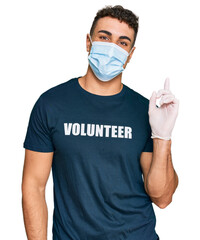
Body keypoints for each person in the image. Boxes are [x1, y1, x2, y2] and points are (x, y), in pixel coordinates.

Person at [21, 5, 179, 240]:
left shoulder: (144, 111)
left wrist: (163, 137)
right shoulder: (51, 104)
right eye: (105, 37)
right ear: (89, 42)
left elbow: (162, 198)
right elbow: (34, 187)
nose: (112, 48)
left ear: (130, 55)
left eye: (122, 43)